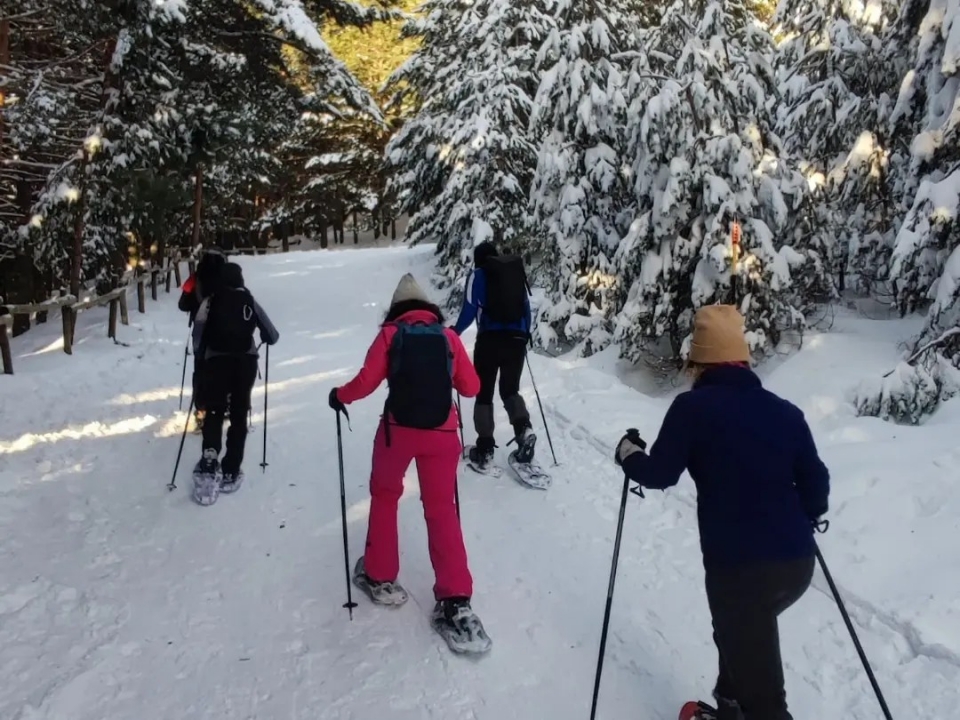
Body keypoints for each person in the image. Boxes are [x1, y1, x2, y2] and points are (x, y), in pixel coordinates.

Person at [613, 305, 830, 720]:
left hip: (740, 569)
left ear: (698, 361)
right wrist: (803, 516)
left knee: (765, 694)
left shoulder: (693, 408)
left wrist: (628, 454)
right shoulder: (785, 411)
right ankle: (731, 709)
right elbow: (816, 484)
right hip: (797, 566)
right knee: (740, 638)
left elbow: (660, 474)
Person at [329, 273, 485, 641]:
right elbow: (472, 386)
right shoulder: (447, 339)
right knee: (441, 508)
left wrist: (339, 395)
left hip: (398, 432)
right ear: (429, 310)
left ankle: (380, 573)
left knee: (385, 496)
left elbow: (365, 382)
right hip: (443, 434)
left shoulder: (390, 335)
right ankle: (455, 597)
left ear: (397, 309)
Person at [193, 262, 279, 505]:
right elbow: (272, 334)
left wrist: (201, 356)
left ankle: (210, 457)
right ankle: (231, 467)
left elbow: (198, 334)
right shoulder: (249, 301)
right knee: (239, 413)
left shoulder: (210, 301)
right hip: (245, 363)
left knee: (215, 409)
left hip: (216, 363)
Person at [453, 241, 535, 469]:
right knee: (510, 389)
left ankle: (485, 447)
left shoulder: (477, 275)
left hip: (489, 340)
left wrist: (453, 333)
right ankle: (524, 429)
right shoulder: (513, 274)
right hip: (517, 340)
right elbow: (526, 310)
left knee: (484, 391)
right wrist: (523, 336)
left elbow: (469, 310)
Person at [178, 248, 226, 431]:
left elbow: (183, 305)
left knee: (201, 370)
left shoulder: (196, 279)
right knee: (222, 368)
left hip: (200, 333)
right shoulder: (226, 279)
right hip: (223, 332)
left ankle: (201, 409)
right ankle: (222, 404)